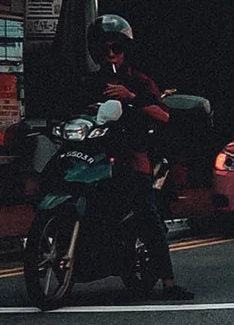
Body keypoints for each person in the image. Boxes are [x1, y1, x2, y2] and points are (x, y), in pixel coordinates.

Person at [84, 15, 192, 301]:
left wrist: (130, 96)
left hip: (130, 154)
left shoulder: (139, 81)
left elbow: (163, 114)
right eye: (104, 48)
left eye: (115, 48)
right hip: (90, 155)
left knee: (146, 212)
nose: (109, 54)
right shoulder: (88, 82)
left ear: (125, 49)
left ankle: (168, 281)